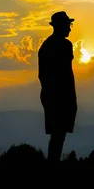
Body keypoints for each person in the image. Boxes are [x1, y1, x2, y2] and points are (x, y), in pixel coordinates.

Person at [38, 11, 77, 163]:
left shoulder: (46, 45)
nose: (70, 28)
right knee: (58, 136)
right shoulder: (64, 45)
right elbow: (63, 75)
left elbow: (43, 76)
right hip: (60, 97)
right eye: (68, 24)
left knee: (57, 136)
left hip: (51, 96)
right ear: (60, 26)